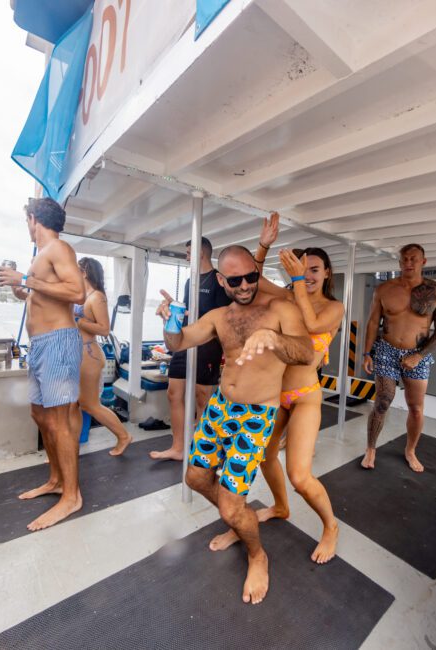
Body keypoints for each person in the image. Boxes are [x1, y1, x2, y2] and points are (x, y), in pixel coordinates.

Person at [157, 245, 313, 604]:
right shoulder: (218, 316)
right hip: (220, 407)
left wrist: (274, 338)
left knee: (229, 505)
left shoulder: (280, 309)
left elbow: (306, 352)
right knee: (195, 477)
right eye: (236, 280)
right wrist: (169, 321)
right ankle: (240, 519)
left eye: (252, 276)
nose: (245, 285)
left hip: (257, 415)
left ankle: (257, 554)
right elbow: (178, 342)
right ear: (221, 280)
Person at [209, 213, 344, 564]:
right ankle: (281, 507)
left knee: (300, 475)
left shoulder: (333, 307)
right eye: (303, 268)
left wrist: (297, 279)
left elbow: (311, 325)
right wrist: (264, 245)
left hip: (304, 398)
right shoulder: (286, 293)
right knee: (266, 457)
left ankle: (330, 526)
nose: (308, 275)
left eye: (315, 269)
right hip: (272, 399)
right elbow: (251, 276)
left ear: (327, 273)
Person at [0, 197, 85, 531]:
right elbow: (49, 294)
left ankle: (71, 497)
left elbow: (76, 293)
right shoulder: (41, 257)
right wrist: (24, 289)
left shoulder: (58, 249)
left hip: (59, 341)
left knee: (60, 421)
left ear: (33, 219)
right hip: (40, 345)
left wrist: (27, 279)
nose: (27, 227)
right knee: (39, 413)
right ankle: (56, 480)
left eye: (27, 221)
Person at [361, 243, 436, 472]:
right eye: (404, 259)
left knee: (416, 408)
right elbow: (373, 322)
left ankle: (410, 450)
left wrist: (419, 355)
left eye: (413, 259)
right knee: (382, 402)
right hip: (386, 350)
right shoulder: (384, 289)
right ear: (399, 262)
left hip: (418, 355)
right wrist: (367, 352)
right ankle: (371, 449)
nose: (408, 263)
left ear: (423, 261)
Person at [150, 237, 230, 461]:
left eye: (188, 252)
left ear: (201, 253)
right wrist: (173, 308)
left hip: (208, 345)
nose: (186, 256)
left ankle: (207, 448)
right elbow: (189, 313)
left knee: (202, 397)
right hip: (186, 342)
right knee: (174, 393)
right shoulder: (190, 281)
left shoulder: (217, 281)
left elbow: (221, 319)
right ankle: (178, 447)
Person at [71, 257, 131, 456]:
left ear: (85, 271)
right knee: (73, 404)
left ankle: (123, 436)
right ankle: (70, 448)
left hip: (89, 354)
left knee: (90, 404)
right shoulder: (82, 295)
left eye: (76, 268)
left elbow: (105, 329)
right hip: (76, 354)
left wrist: (79, 321)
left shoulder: (97, 297)